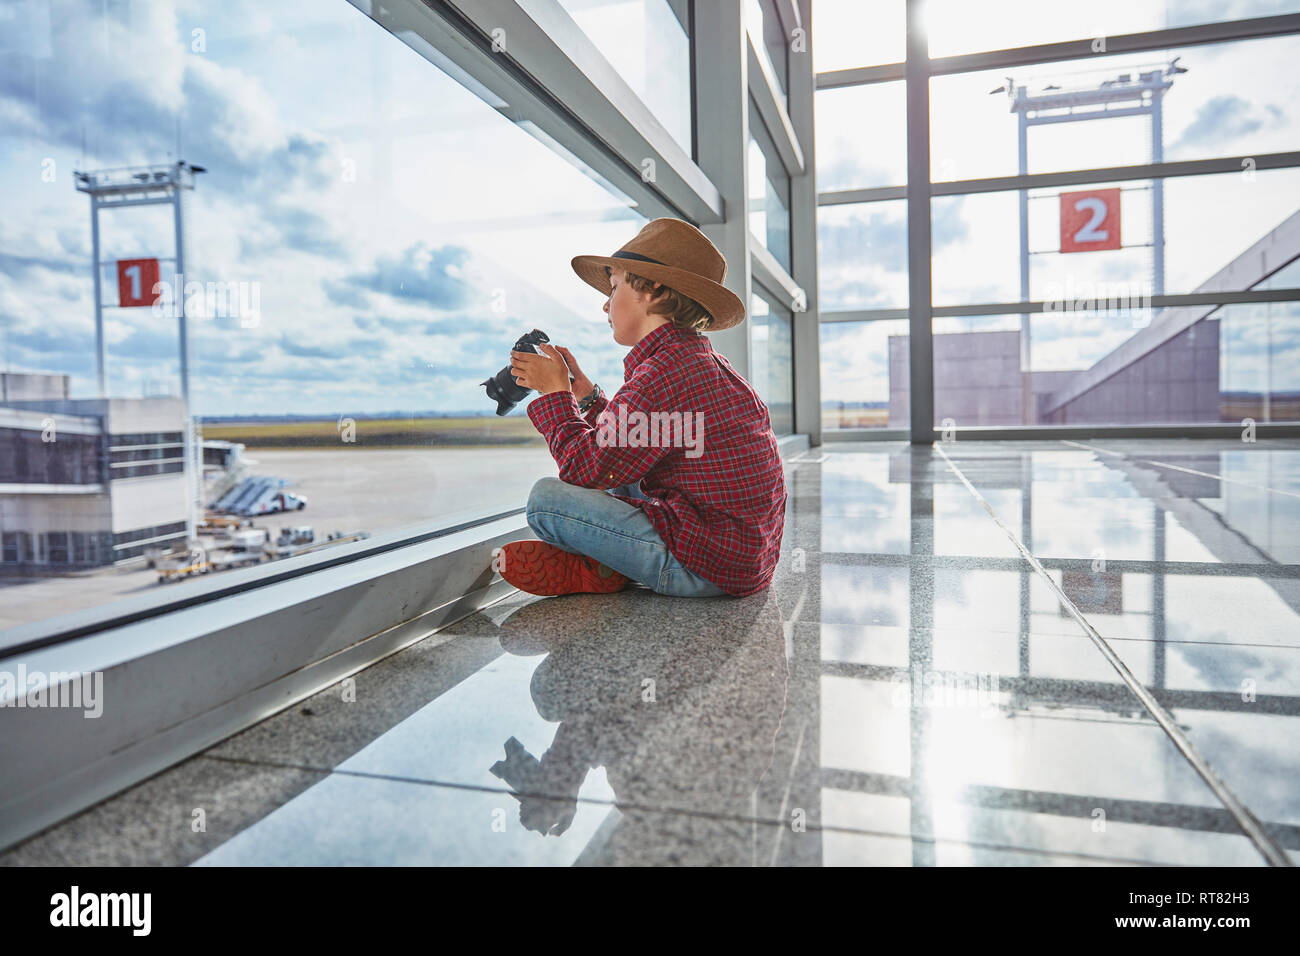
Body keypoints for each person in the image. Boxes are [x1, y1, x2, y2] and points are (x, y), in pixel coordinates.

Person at [499, 218, 786, 598]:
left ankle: (603, 562)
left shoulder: (665, 373)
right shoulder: (694, 361)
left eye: (614, 287)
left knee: (545, 501)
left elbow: (584, 470)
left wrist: (554, 396)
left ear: (651, 290)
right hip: (742, 558)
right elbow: (633, 442)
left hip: (705, 568)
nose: (605, 301)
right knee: (627, 470)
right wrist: (586, 398)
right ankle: (598, 564)